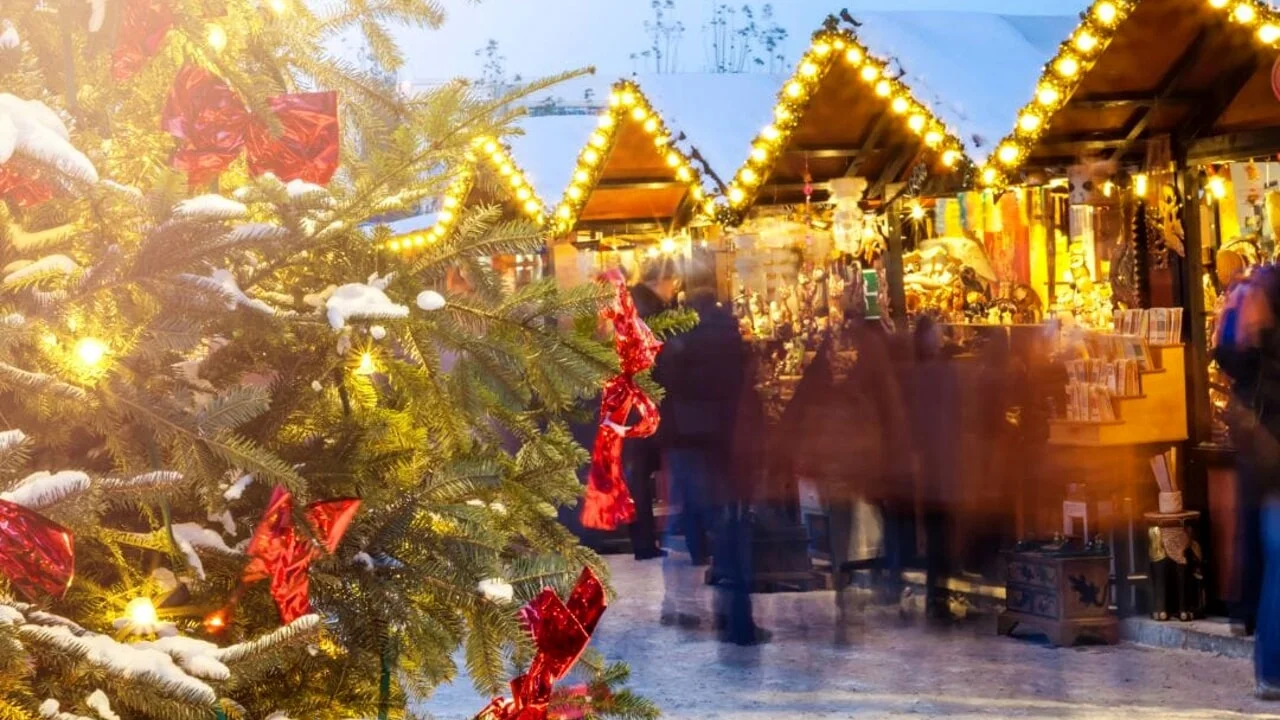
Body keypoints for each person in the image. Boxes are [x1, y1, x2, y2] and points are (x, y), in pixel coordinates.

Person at [1213, 265, 1280, 698]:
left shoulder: (1259, 296)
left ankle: (1270, 671)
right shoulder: (1260, 347)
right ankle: (1271, 671)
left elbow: (1226, 356)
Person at [624, 257, 679, 560]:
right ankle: (644, 542)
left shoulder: (636, 304)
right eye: (672, 282)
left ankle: (644, 540)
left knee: (639, 474)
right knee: (640, 474)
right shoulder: (650, 309)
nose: (674, 289)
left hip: (635, 403)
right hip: (644, 403)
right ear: (661, 280)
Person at [910, 316, 962, 622]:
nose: (940, 337)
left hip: (932, 461)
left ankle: (935, 596)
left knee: (937, 533)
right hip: (937, 463)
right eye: (936, 333)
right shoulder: (933, 373)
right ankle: (937, 599)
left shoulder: (920, 372)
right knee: (939, 532)